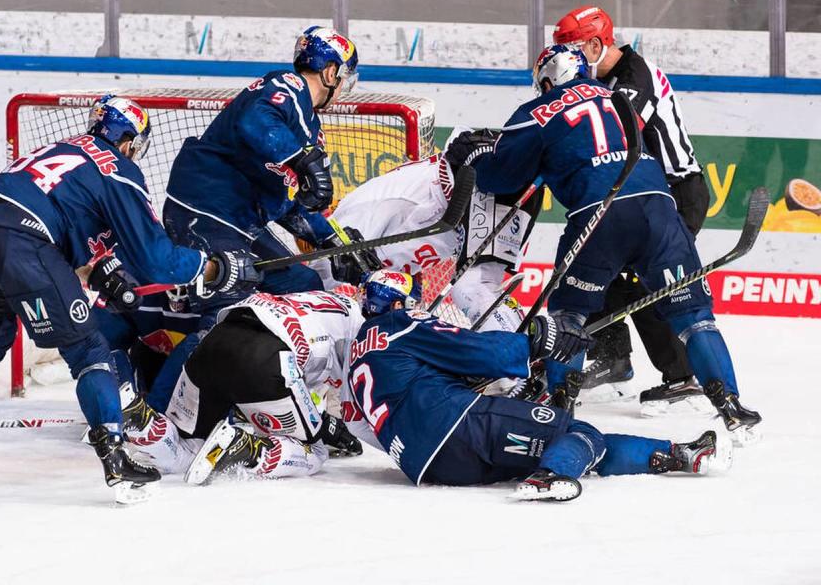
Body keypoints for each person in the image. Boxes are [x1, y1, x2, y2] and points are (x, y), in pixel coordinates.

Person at [0, 96, 259, 503]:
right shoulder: (117, 168)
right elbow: (159, 262)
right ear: (129, 140)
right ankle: (116, 461)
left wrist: (99, 272)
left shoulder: (57, 150)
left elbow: (57, 226)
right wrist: (216, 267)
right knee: (88, 348)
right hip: (23, 243)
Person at [471, 44, 761, 443]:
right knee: (695, 317)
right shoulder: (617, 96)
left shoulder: (536, 113)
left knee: (568, 317)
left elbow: (499, 179)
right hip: (660, 207)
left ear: (547, 79)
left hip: (598, 213)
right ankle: (731, 405)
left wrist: (482, 156)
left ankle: (556, 407)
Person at [340, 270, 731, 501]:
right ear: (396, 304)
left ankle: (681, 454)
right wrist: (536, 341)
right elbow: (478, 351)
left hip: (425, 463)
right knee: (575, 429)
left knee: (569, 446)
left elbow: (361, 423)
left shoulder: (359, 353)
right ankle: (547, 479)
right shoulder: (399, 324)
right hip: (458, 426)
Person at [553, 6, 711, 412]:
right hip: (637, 194)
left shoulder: (633, 76)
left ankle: (682, 379)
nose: (564, 60)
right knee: (597, 265)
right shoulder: (599, 79)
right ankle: (614, 361)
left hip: (673, 192)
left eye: (571, 49)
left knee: (649, 281)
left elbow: (616, 134)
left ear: (595, 44)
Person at [162, 27, 364, 335]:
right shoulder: (288, 85)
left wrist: (334, 240)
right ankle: (172, 383)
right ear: (331, 71)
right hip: (205, 213)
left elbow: (288, 203)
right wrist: (303, 160)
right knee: (223, 321)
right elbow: (255, 120)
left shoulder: (310, 129)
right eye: (344, 77)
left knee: (304, 286)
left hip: (243, 225)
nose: (344, 87)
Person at [123, 289, 365, 484]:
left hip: (211, 346)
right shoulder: (359, 326)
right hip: (264, 358)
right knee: (315, 451)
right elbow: (345, 399)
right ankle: (251, 450)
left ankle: (144, 422)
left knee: (188, 447)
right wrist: (326, 427)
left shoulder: (315, 299)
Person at [319, 140, 542, 329]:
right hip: (470, 193)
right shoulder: (354, 254)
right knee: (479, 290)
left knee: (472, 289)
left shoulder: (354, 223)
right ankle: (524, 348)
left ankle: (514, 369)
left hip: (476, 179)